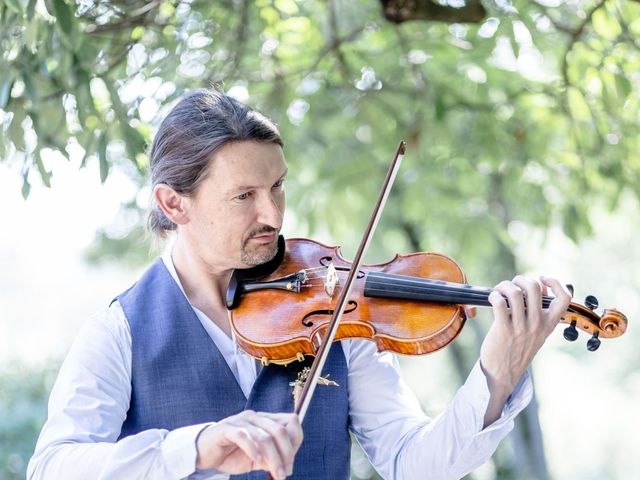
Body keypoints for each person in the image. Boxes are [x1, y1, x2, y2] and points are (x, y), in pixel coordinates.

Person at [27, 89, 571, 480]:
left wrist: (497, 377)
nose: (273, 213)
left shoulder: (335, 306)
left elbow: (414, 464)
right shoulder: (119, 330)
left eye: (278, 187)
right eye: (244, 196)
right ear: (174, 204)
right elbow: (53, 467)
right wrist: (195, 446)